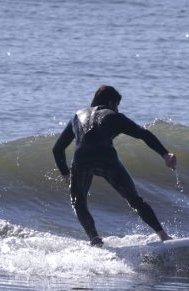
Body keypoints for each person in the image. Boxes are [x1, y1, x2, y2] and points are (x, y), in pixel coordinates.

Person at [53, 85, 177, 247]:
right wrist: (165, 154)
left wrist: (66, 174)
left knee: (78, 202)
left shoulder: (77, 116)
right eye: (117, 105)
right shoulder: (114, 116)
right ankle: (163, 236)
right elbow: (143, 134)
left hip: (81, 159)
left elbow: (57, 149)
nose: (117, 109)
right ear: (111, 103)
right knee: (135, 201)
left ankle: (94, 240)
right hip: (106, 157)